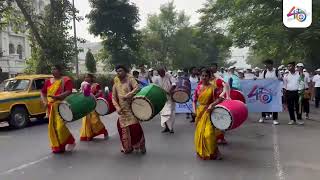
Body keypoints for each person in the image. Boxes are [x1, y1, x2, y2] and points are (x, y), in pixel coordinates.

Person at [41, 65, 75, 153]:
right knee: (53, 128)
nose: (53, 71)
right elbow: (43, 92)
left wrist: (58, 97)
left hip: (60, 106)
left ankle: (70, 141)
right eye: (52, 69)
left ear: (60, 70)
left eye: (55, 69)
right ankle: (58, 147)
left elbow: (69, 91)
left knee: (60, 127)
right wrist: (44, 102)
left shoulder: (65, 80)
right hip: (50, 108)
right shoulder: (48, 81)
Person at [112, 65, 146, 154]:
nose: (118, 73)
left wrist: (128, 95)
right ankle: (127, 147)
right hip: (122, 112)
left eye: (120, 71)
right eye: (117, 71)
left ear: (125, 71)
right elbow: (113, 97)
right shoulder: (116, 82)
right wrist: (117, 107)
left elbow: (137, 88)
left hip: (131, 109)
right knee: (122, 129)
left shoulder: (130, 79)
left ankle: (140, 144)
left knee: (135, 128)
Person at [193, 69, 223, 160]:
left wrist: (212, 105)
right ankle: (203, 152)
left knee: (209, 134)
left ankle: (214, 152)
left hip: (210, 111)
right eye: (203, 76)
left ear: (210, 77)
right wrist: (194, 111)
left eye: (206, 76)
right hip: (200, 112)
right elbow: (194, 100)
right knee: (200, 133)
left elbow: (220, 99)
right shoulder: (198, 88)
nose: (204, 77)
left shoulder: (214, 88)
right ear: (200, 77)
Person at [80, 74, 108, 141]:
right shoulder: (84, 85)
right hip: (86, 105)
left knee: (95, 120)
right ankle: (89, 135)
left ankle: (104, 131)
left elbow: (100, 92)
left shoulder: (96, 85)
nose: (86, 78)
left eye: (88, 77)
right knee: (86, 121)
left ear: (91, 78)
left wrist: (93, 97)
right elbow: (81, 94)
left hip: (94, 104)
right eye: (85, 77)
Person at [258, 59, 280, 125]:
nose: (266, 65)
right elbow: (260, 79)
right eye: (265, 64)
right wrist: (255, 79)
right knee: (264, 104)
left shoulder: (276, 71)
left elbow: (281, 79)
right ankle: (263, 117)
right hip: (266, 91)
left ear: (271, 64)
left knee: (275, 105)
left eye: (267, 64)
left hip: (274, 91)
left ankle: (275, 119)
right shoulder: (264, 72)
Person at [155, 68, 177, 133]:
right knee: (163, 113)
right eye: (160, 73)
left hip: (170, 97)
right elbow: (155, 86)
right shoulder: (157, 78)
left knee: (170, 113)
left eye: (163, 72)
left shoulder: (169, 75)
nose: (162, 74)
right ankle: (166, 127)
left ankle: (171, 128)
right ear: (158, 73)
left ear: (164, 72)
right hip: (162, 98)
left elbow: (174, 84)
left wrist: (169, 91)